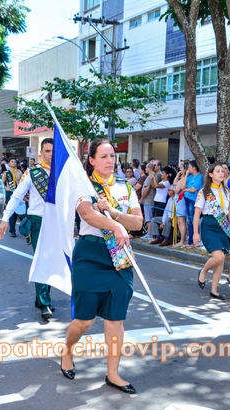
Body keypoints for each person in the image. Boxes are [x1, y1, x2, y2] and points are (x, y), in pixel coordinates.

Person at [60, 139, 143, 394]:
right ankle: (67, 350)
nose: (110, 161)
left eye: (113, 156)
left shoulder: (125, 187)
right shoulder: (84, 186)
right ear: (92, 160)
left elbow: (138, 223)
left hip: (119, 255)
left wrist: (117, 215)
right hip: (91, 254)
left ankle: (113, 374)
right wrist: (117, 226)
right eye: (104, 156)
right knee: (84, 320)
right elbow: (87, 214)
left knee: (115, 319)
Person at [0, 139, 55, 319]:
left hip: (56, 223)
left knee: (52, 262)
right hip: (37, 222)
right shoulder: (32, 173)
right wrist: (6, 217)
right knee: (42, 261)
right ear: (41, 153)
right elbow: (17, 196)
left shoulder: (62, 173)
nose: (51, 154)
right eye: (47, 151)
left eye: (53, 151)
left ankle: (42, 298)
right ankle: (45, 303)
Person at [193, 162, 230, 300]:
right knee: (218, 257)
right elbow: (196, 213)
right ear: (211, 175)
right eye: (218, 171)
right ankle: (204, 271)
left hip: (224, 226)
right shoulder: (204, 192)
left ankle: (214, 290)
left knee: (221, 261)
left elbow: (229, 212)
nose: (221, 173)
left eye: (222, 171)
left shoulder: (226, 191)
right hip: (209, 225)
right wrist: (195, 232)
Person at [184, 160, 203, 245]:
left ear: (194, 168)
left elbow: (193, 189)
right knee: (188, 221)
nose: (188, 169)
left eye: (189, 167)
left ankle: (194, 241)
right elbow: (182, 185)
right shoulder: (190, 177)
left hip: (193, 200)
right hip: (186, 198)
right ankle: (190, 241)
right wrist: (185, 175)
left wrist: (186, 190)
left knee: (193, 220)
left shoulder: (200, 177)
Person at [3, 157, 23, 237]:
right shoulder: (6, 173)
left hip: (18, 192)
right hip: (9, 192)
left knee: (20, 211)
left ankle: (23, 229)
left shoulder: (20, 172)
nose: (13, 163)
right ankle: (12, 230)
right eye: (12, 162)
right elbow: (3, 183)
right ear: (9, 163)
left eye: (15, 162)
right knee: (11, 212)